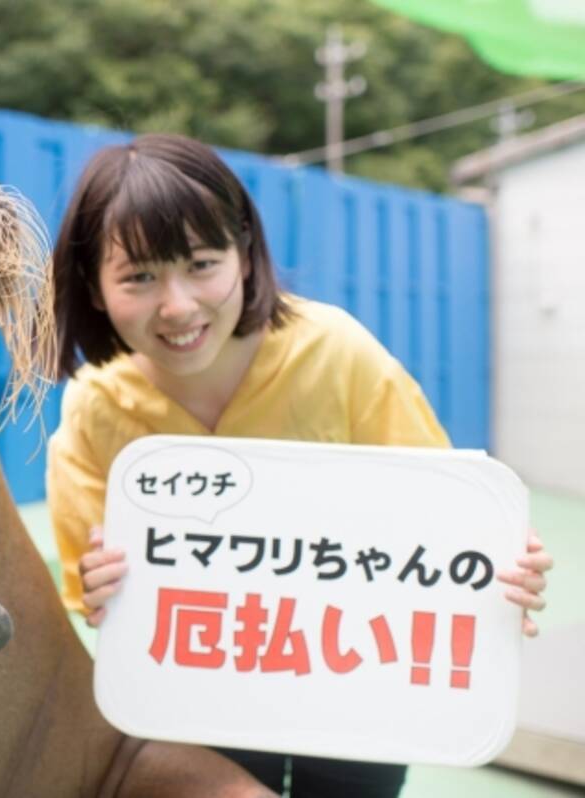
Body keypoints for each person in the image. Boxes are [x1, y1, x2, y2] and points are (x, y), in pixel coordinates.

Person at [45, 133, 553, 798]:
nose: (178, 305)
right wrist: (103, 588)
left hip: (355, 683)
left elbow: (447, 517)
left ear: (247, 255)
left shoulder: (336, 354)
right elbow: (94, 600)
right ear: (94, 286)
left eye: (202, 263)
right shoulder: (94, 410)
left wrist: (500, 571)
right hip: (199, 697)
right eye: (139, 276)